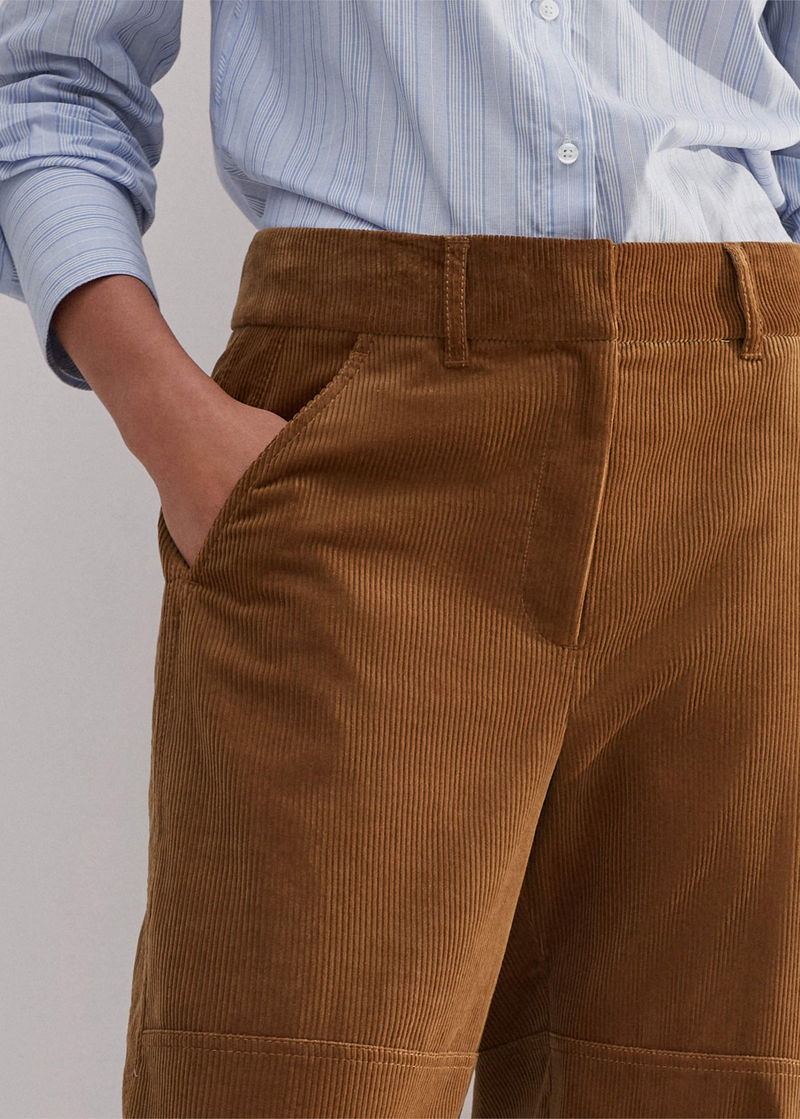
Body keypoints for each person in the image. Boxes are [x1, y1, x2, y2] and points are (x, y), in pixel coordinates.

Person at [2, 2, 800, 1117]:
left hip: (745, 452)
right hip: (363, 457)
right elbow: (43, 86)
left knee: (716, 1086)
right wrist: (177, 432)